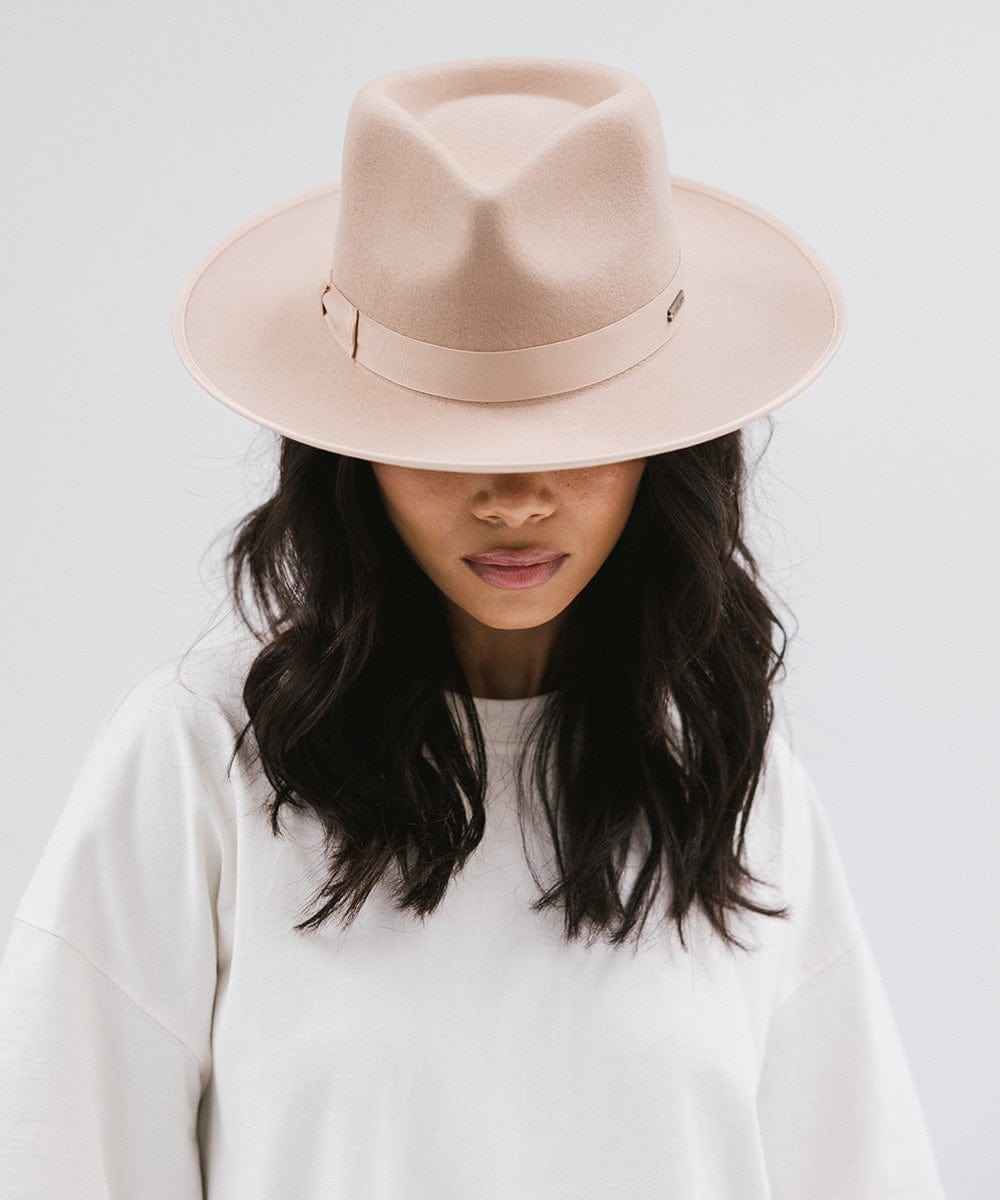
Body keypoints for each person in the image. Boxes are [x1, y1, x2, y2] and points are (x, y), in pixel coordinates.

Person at [0, 56, 947, 1199]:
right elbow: (61, 1157)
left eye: (580, 427)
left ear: (669, 446)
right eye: (448, 434)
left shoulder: (724, 780)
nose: (514, 494)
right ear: (348, 450)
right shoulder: (202, 764)